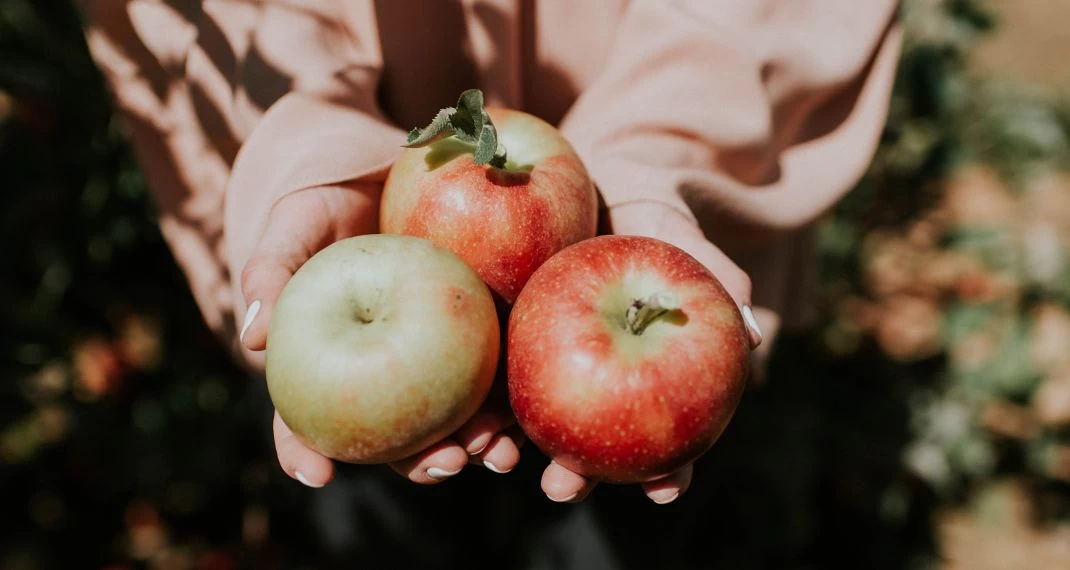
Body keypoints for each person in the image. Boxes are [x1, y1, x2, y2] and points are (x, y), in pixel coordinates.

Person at [80, 0, 902, 565]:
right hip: (366, 266)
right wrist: (310, 141)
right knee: (381, 534)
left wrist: (658, 156)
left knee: (624, 541)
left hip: (646, 246)